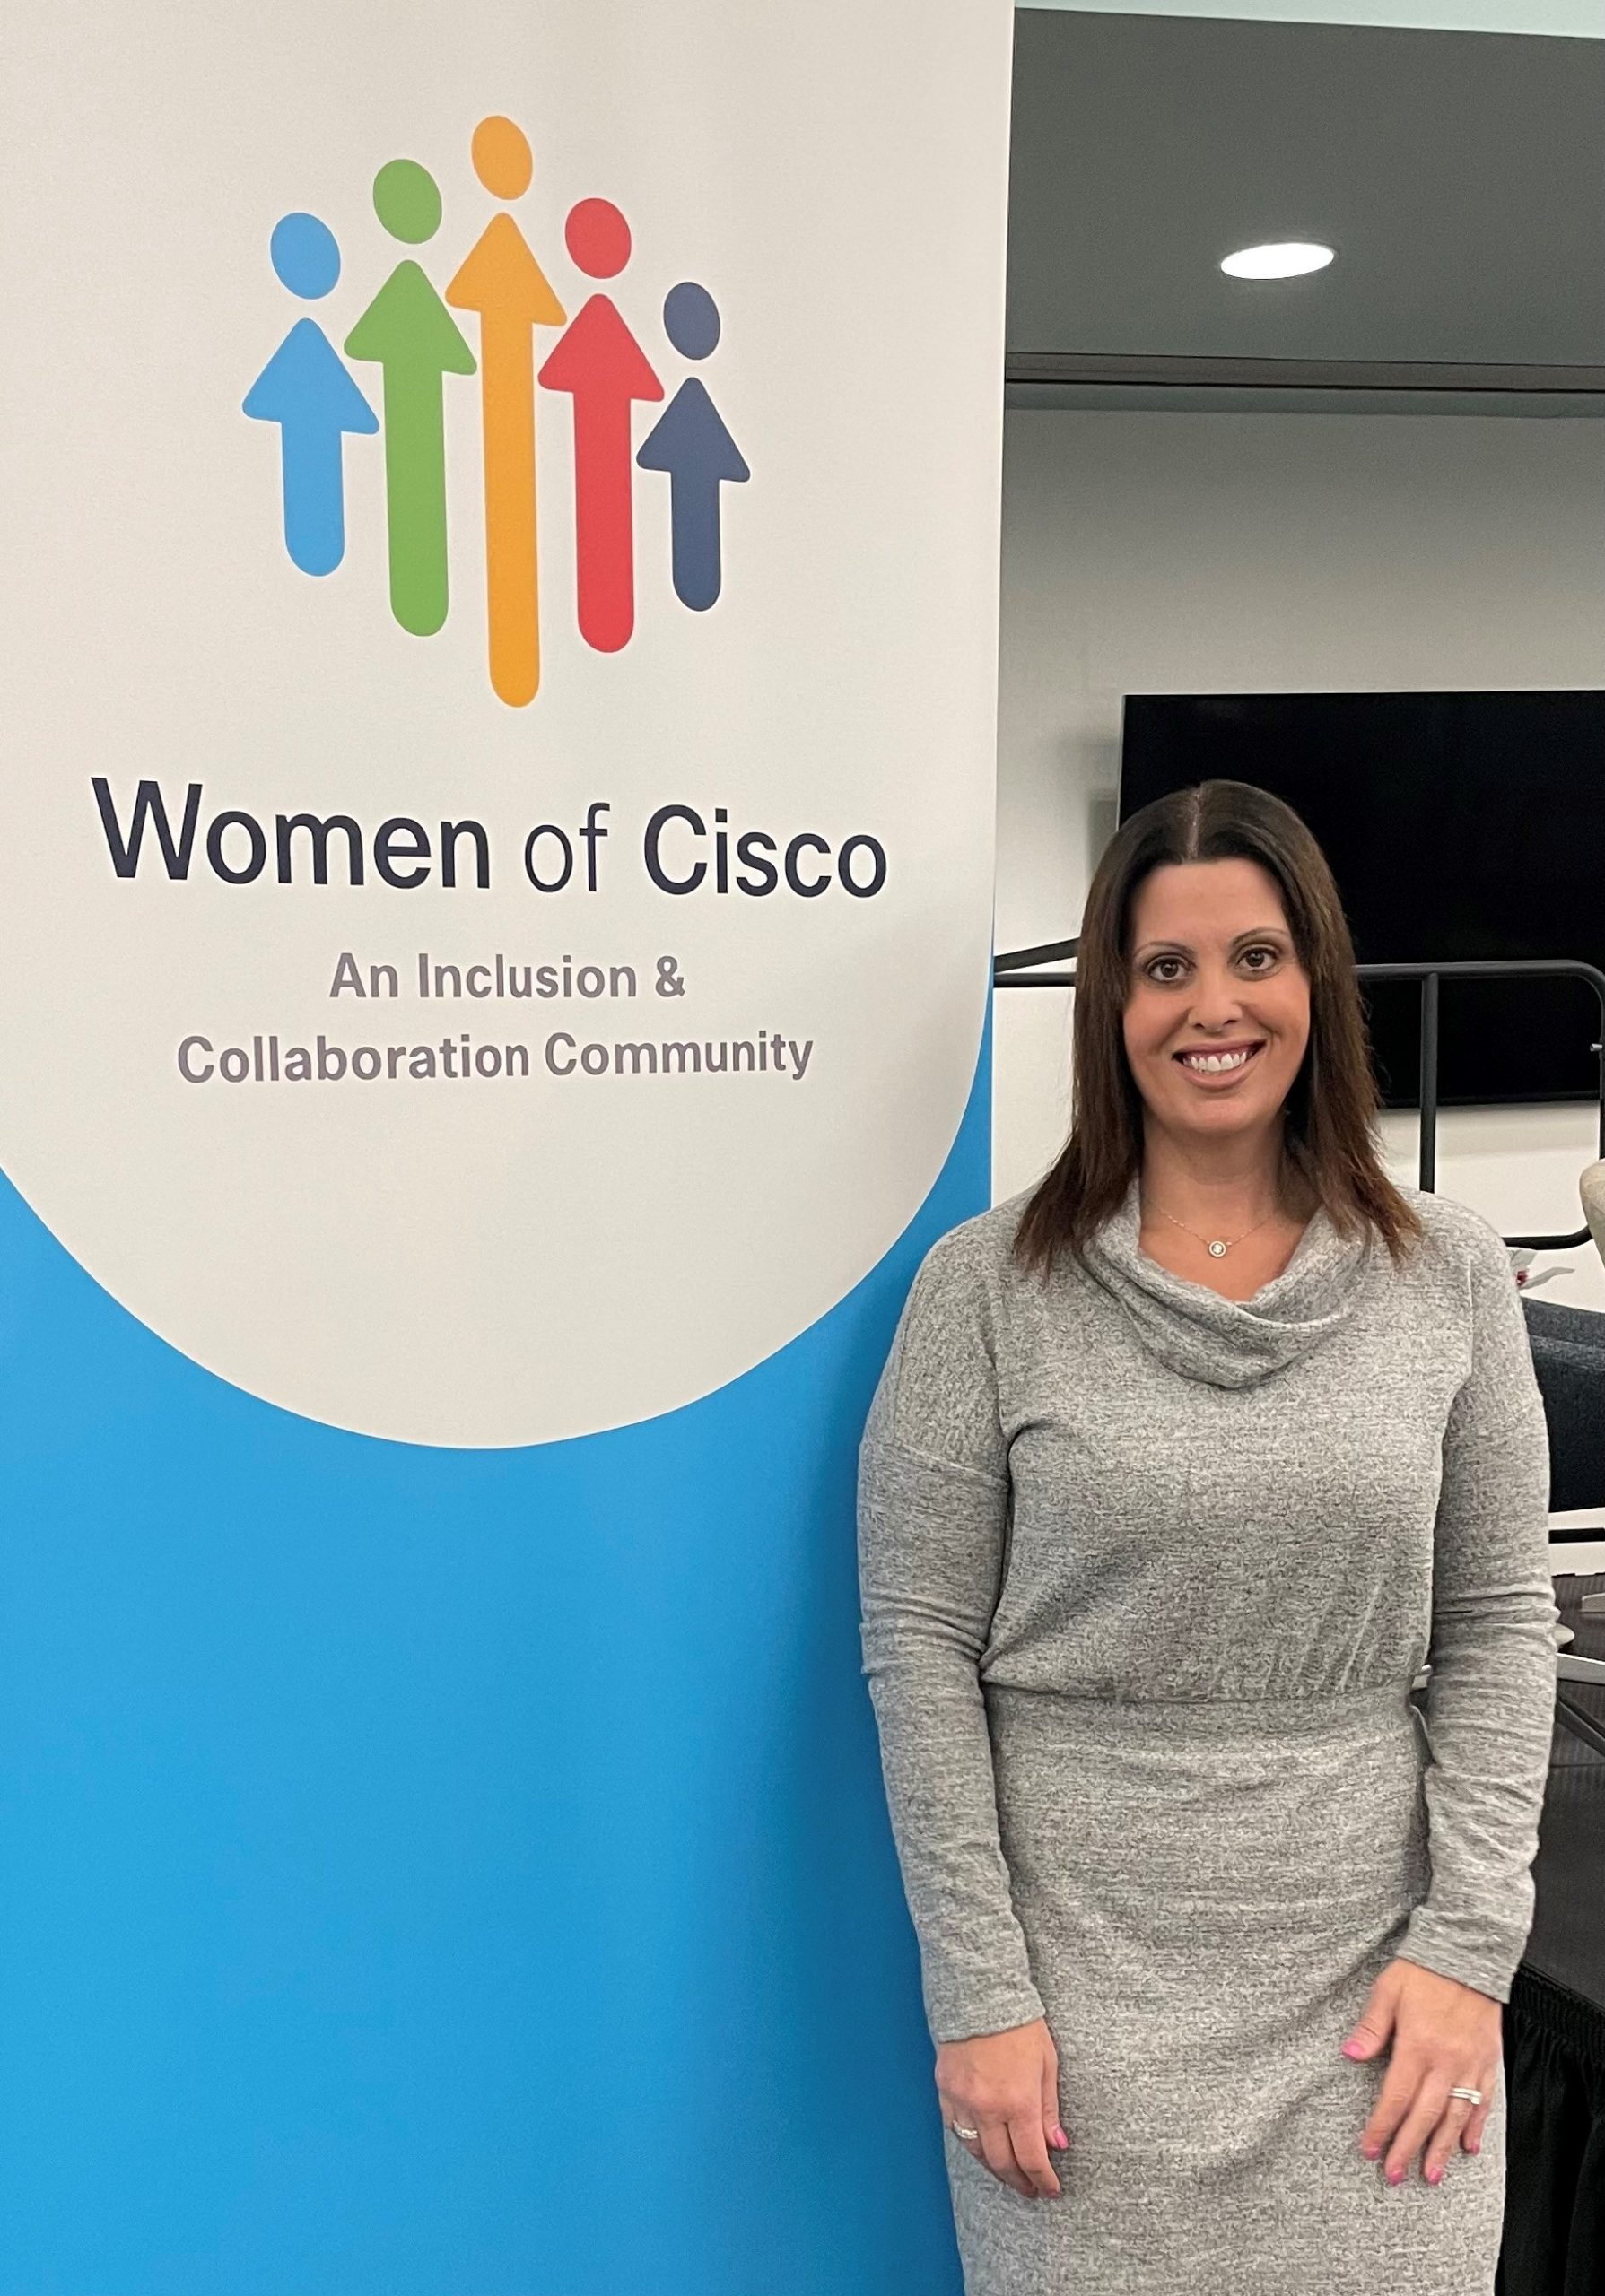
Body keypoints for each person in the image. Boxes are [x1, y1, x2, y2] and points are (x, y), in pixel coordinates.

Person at [857, 779, 1559, 2294]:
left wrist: (1465, 1955)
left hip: (1384, 2010)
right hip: (1070, 2007)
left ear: (1316, 980)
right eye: (1164, 968)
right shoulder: (981, 1292)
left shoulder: (1450, 1275)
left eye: (1254, 957)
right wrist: (975, 1990)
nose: (1211, 1006)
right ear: (1109, 1004)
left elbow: (1503, 1620)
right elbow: (914, 1652)